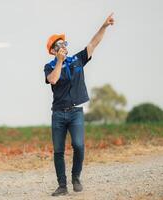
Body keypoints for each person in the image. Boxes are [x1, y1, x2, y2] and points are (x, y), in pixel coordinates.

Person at [44, 13, 115, 196]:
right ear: (52, 50)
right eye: (58, 44)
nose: (63, 46)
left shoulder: (77, 60)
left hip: (75, 112)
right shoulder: (49, 66)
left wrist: (104, 26)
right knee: (58, 151)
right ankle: (62, 185)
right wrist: (59, 62)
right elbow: (53, 80)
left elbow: (93, 43)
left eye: (63, 43)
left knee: (79, 145)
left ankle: (76, 177)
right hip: (58, 113)